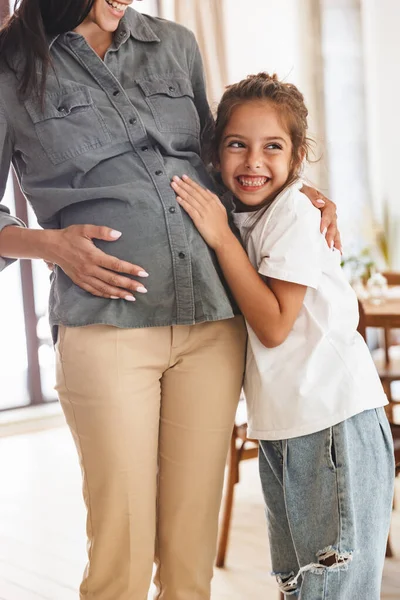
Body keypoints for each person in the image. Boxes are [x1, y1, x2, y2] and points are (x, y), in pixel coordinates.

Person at [0, 0, 339, 596]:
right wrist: (52, 245)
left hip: (212, 320)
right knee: (121, 552)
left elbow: (224, 163)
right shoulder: (9, 64)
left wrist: (298, 194)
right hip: (106, 329)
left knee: (191, 557)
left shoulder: (176, 44)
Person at [171, 72, 395, 599]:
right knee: (301, 588)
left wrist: (221, 239)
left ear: (296, 159)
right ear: (214, 154)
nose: (253, 162)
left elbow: (273, 326)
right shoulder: (247, 212)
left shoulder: (291, 212)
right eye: (237, 145)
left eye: (273, 147)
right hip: (289, 428)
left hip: (332, 426)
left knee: (330, 592)